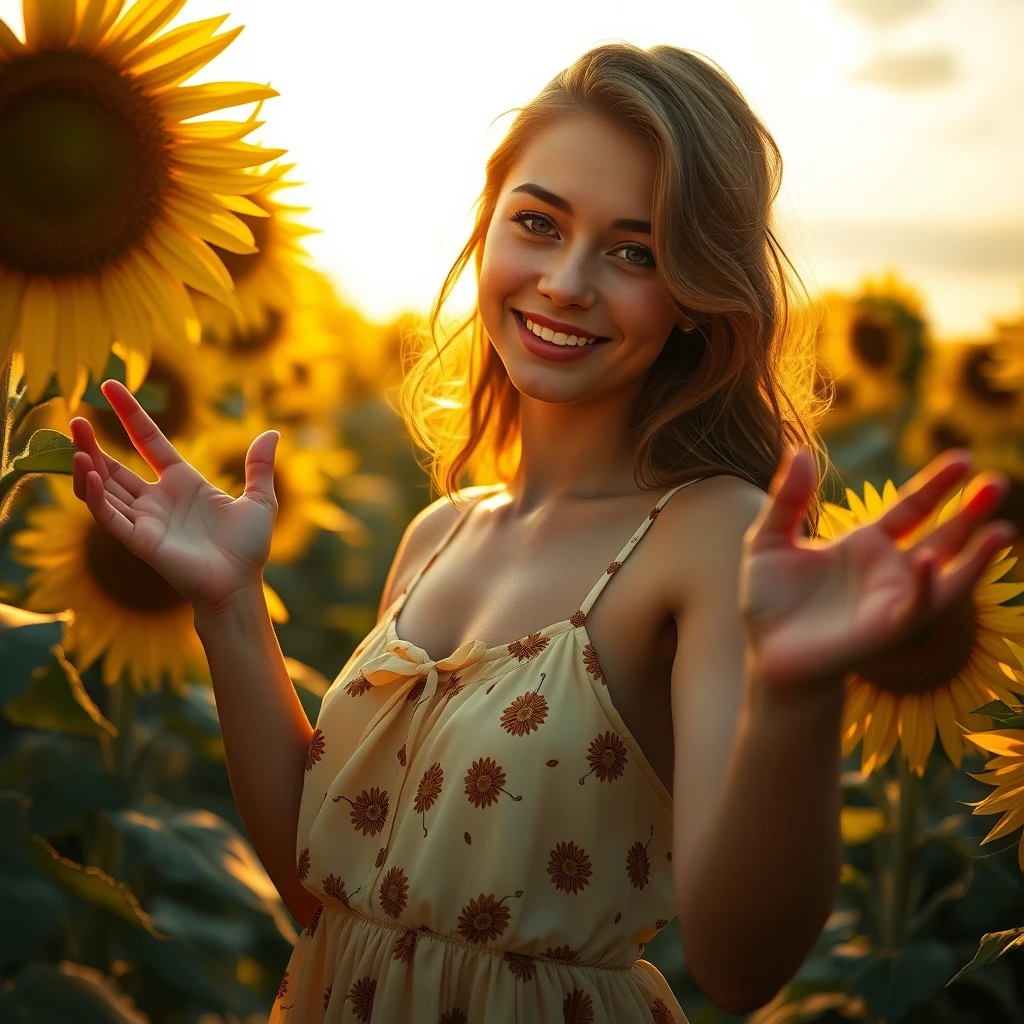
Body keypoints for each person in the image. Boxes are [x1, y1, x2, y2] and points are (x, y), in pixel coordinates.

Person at [69, 42, 1015, 1024]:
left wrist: (797, 694)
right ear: (487, 231)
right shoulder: (439, 532)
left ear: (695, 297)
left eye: (633, 250)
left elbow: (742, 970)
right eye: (538, 223)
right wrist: (227, 605)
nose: (565, 281)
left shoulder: (705, 532)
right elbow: (322, 890)